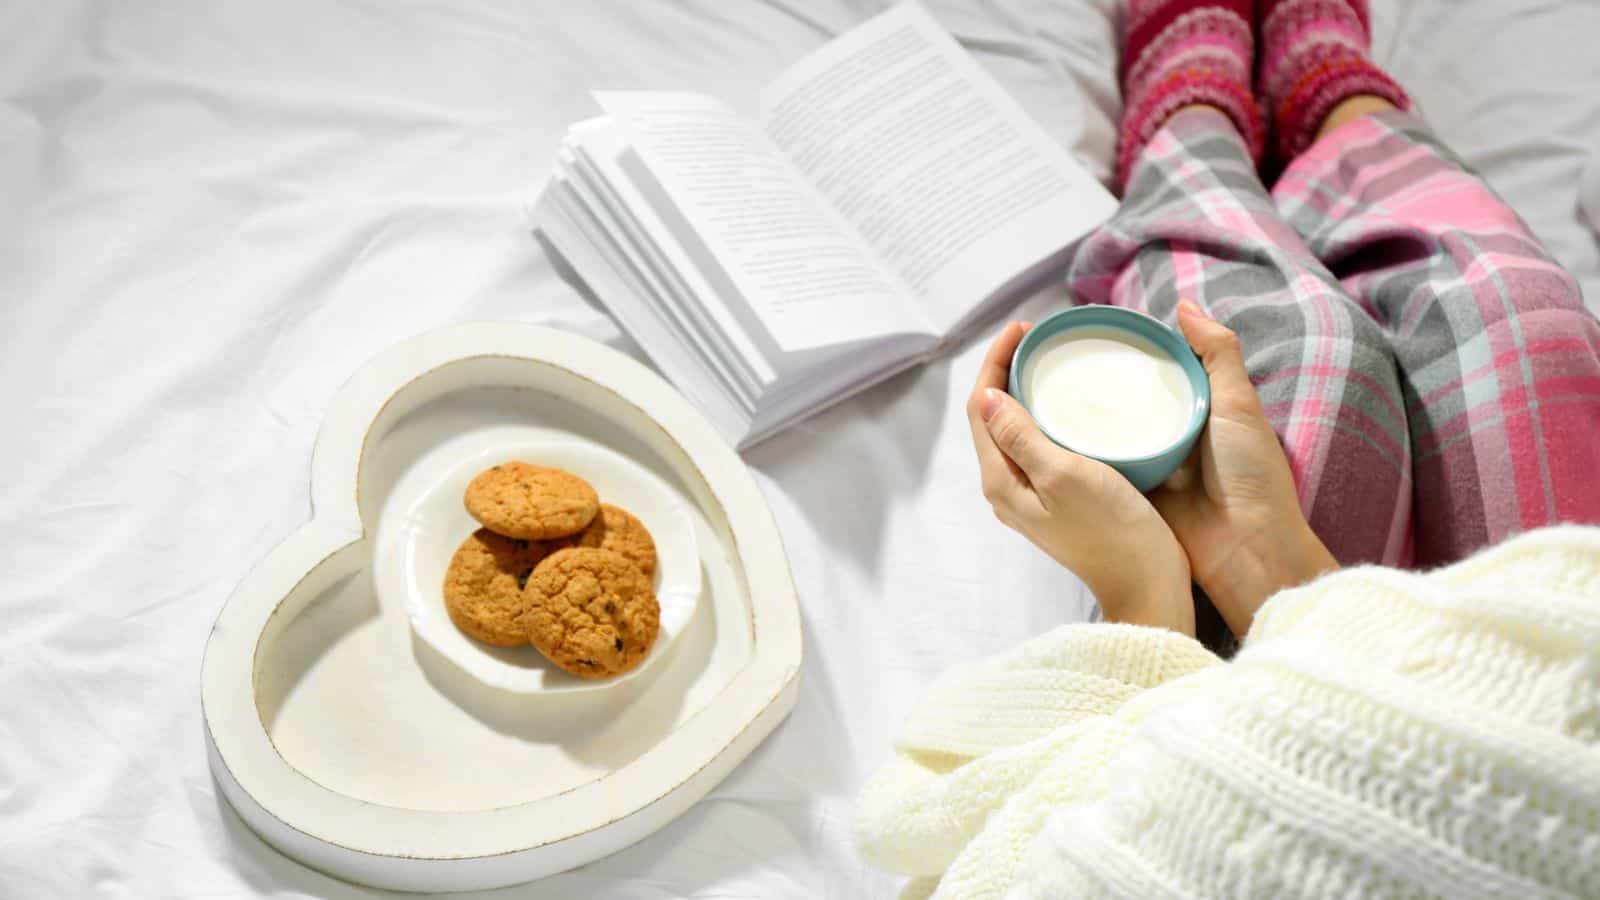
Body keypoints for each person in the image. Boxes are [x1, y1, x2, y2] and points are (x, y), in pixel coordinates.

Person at [855, 0, 1600, 896]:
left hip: (1236, 739)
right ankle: (1333, 95)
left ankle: (1187, 110)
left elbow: (1000, 848)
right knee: (1522, 319)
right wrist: (1265, 556)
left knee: (1303, 366)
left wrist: (1143, 590)